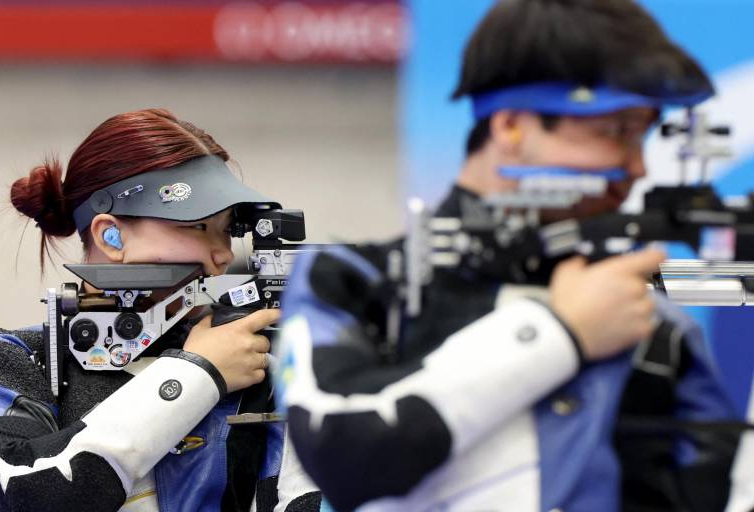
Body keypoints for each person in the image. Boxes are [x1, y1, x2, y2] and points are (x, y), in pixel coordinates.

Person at [274, 1, 739, 511]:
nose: (636, 168)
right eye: (615, 132)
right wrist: (560, 332)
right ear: (512, 127)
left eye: (643, 135)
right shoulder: (356, 278)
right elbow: (345, 455)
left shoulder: (653, 324)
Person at [0, 109, 320, 511]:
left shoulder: (258, 356)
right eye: (198, 225)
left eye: (226, 229)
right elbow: (31, 494)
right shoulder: (15, 361)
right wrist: (198, 373)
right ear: (110, 235)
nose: (222, 254)